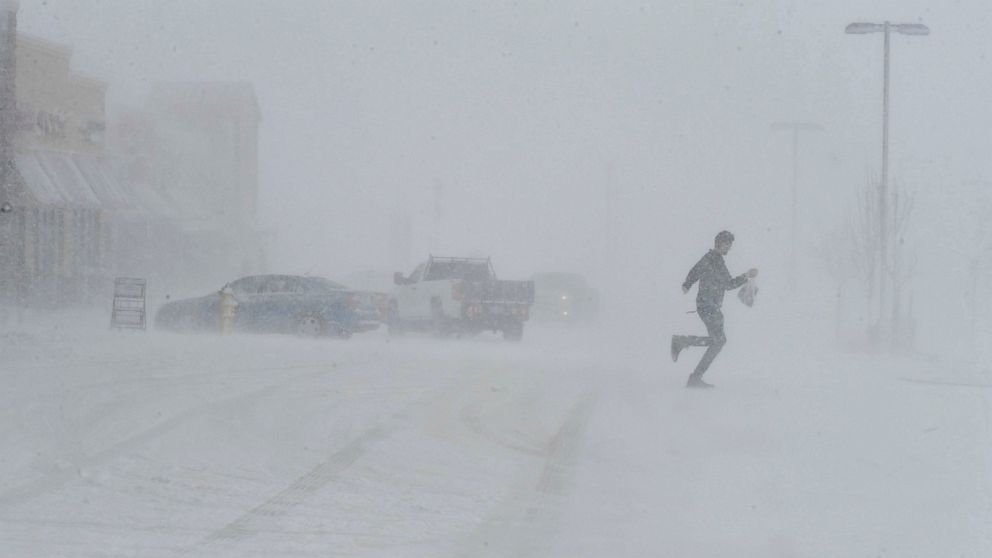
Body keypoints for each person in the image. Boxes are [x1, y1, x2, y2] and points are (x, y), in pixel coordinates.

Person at [671, 231, 758, 389]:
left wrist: (687, 284)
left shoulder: (714, 259)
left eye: (730, 245)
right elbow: (728, 284)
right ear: (719, 243)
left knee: (719, 341)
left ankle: (685, 349)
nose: (729, 248)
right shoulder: (713, 259)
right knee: (719, 341)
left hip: (709, 305)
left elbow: (695, 272)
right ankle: (686, 355)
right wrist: (746, 276)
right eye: (727, 244)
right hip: (708, 306)